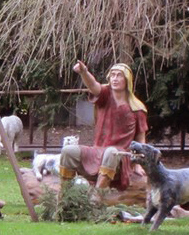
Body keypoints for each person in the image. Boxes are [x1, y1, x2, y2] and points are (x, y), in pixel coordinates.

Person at [59, 61, 148, 191]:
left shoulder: (137, 108)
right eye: (112, 75)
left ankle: (97, 197)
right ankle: (64, 198)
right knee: (68, 151)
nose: (115, 79)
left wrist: (139, 164)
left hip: (120, 157)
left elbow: (141, 139)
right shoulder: (105, 95)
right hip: (97, 152)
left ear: (127, 79)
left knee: (111, 152)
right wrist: (84, 72)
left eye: (119, 75)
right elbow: (93, 85)